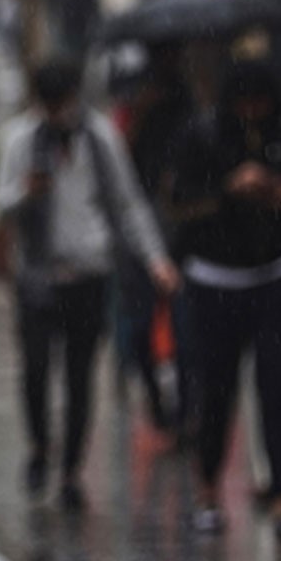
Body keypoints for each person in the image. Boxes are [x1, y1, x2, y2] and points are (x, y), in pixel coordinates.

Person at [0, 60, 179, 512]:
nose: (57, 114)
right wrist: (25, 192)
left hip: (89, 275)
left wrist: (156, 259)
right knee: (36, 371)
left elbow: (127, 202)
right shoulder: (21, 139)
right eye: (50, 105)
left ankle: (72, 470)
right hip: (38, 275)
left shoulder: (100, 139)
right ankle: (40, 447)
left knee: (80, 376)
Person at [167, 61, 281, 538]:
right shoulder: (202, 137)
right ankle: (208, 490)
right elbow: (177, 203)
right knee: (215, 389)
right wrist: (229, 190)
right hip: (216, 279)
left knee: (275, 387)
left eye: (261, 102)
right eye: (245, 102)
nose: (253, 112)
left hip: (276, 276)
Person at [111, 44, 197, 436]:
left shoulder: (190, 107)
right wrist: (140, 113)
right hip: (140, 232)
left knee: (183, 327)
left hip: (179, 232)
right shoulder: (136, 105)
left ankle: (184, 412)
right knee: (141, 324)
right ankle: (158, 404)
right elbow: (119, 165)